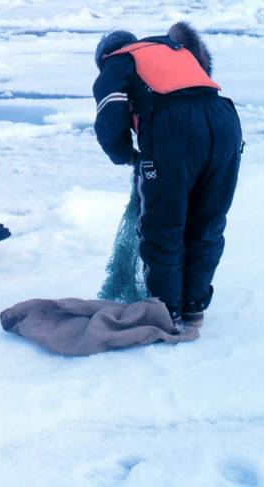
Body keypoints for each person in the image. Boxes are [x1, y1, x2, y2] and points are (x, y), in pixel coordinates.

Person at [92, 22, 243, 328]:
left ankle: (166, 312)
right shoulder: (172, 50)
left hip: (175, 132)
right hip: (226, 123)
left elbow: (110, 119)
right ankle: (194, 308)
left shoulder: (117, 60)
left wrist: (126, 156)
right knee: (207, 222)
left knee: (164, 225)